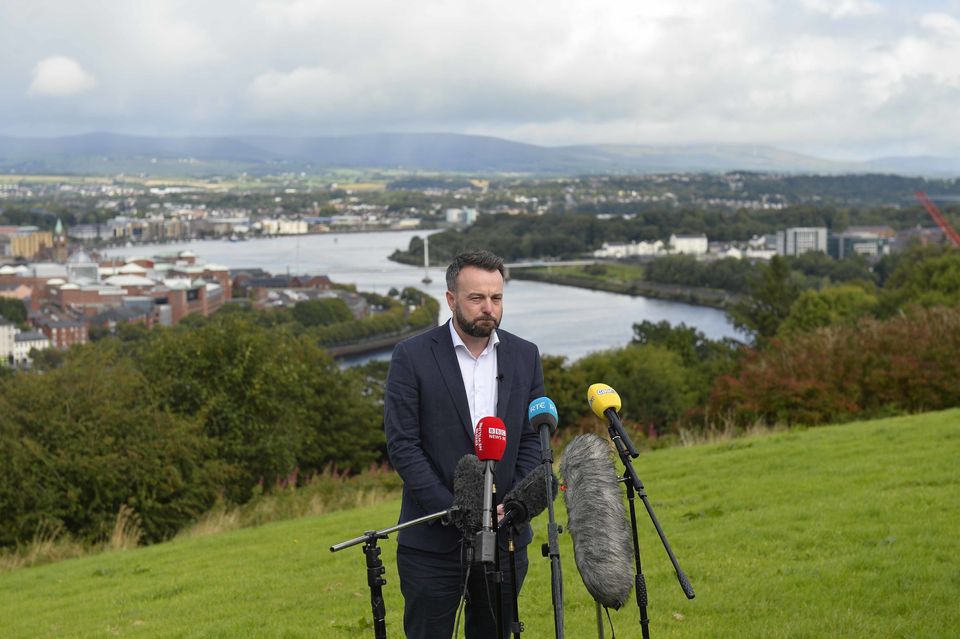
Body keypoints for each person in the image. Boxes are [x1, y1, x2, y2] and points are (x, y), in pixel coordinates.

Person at [384, 249, 544, 639]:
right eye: (477, 298)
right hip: (432, 544)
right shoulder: (411, 356)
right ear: (451, 300)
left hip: (506, 539)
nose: (488, 308)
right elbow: (403, 445)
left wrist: (514, 503)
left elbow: (531, 439)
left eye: (496, 298)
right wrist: (455, 510)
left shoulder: (525, 356)